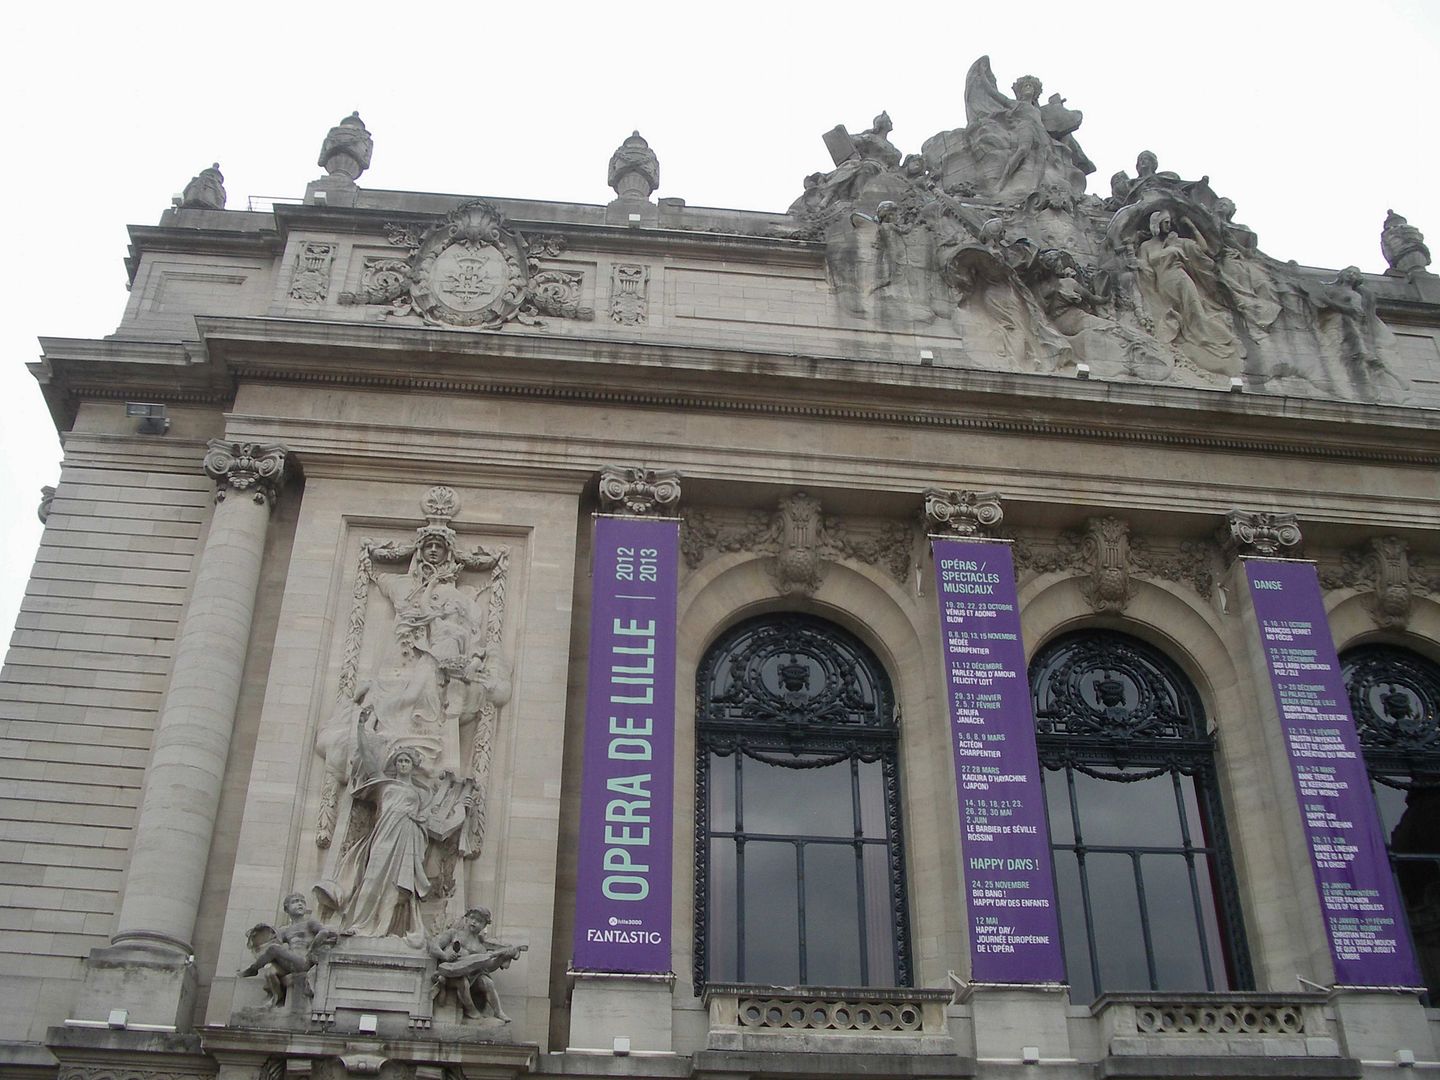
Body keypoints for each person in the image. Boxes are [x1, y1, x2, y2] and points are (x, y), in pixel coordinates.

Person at [315, 706, 471, 945]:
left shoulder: (421, 793)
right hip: (384, 835)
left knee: (397, 888)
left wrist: (462, 807)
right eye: (400, 761)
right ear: (395, 764)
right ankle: (360, 924)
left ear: (413, 765)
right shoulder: (385, 784)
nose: (403, 764)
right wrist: (360, 728)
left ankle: (385, 930)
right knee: (372, 878)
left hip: (408, 837)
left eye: (407, 761)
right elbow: (368, 760)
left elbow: (436, 821)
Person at [238, 892, 339, 1007]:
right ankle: (277, 996)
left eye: (302, 902)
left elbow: (324, 932)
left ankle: (253, 969)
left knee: (274, 949)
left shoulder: (309, 923)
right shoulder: (284, 930)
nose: (300, 904)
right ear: (287, 908)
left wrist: (311, 949)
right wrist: (259, 933)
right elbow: (270, 943)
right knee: (270, 970)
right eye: (295, 902)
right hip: (291, 963)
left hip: (304, 961)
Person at [428, 907, 527, 1021]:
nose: (474, 922)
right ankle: (471, 1011)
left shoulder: (481, 946)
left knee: (487, 982)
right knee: (462, 982)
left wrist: (502, 958)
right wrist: (444, 956)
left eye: (479, 921)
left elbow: (488, 966)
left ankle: (498, 1012)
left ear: (484, 926)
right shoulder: (454, 934)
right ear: (466, 919)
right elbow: (433, 946)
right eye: (472, 918)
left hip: (472, 975)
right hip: (450, 973)